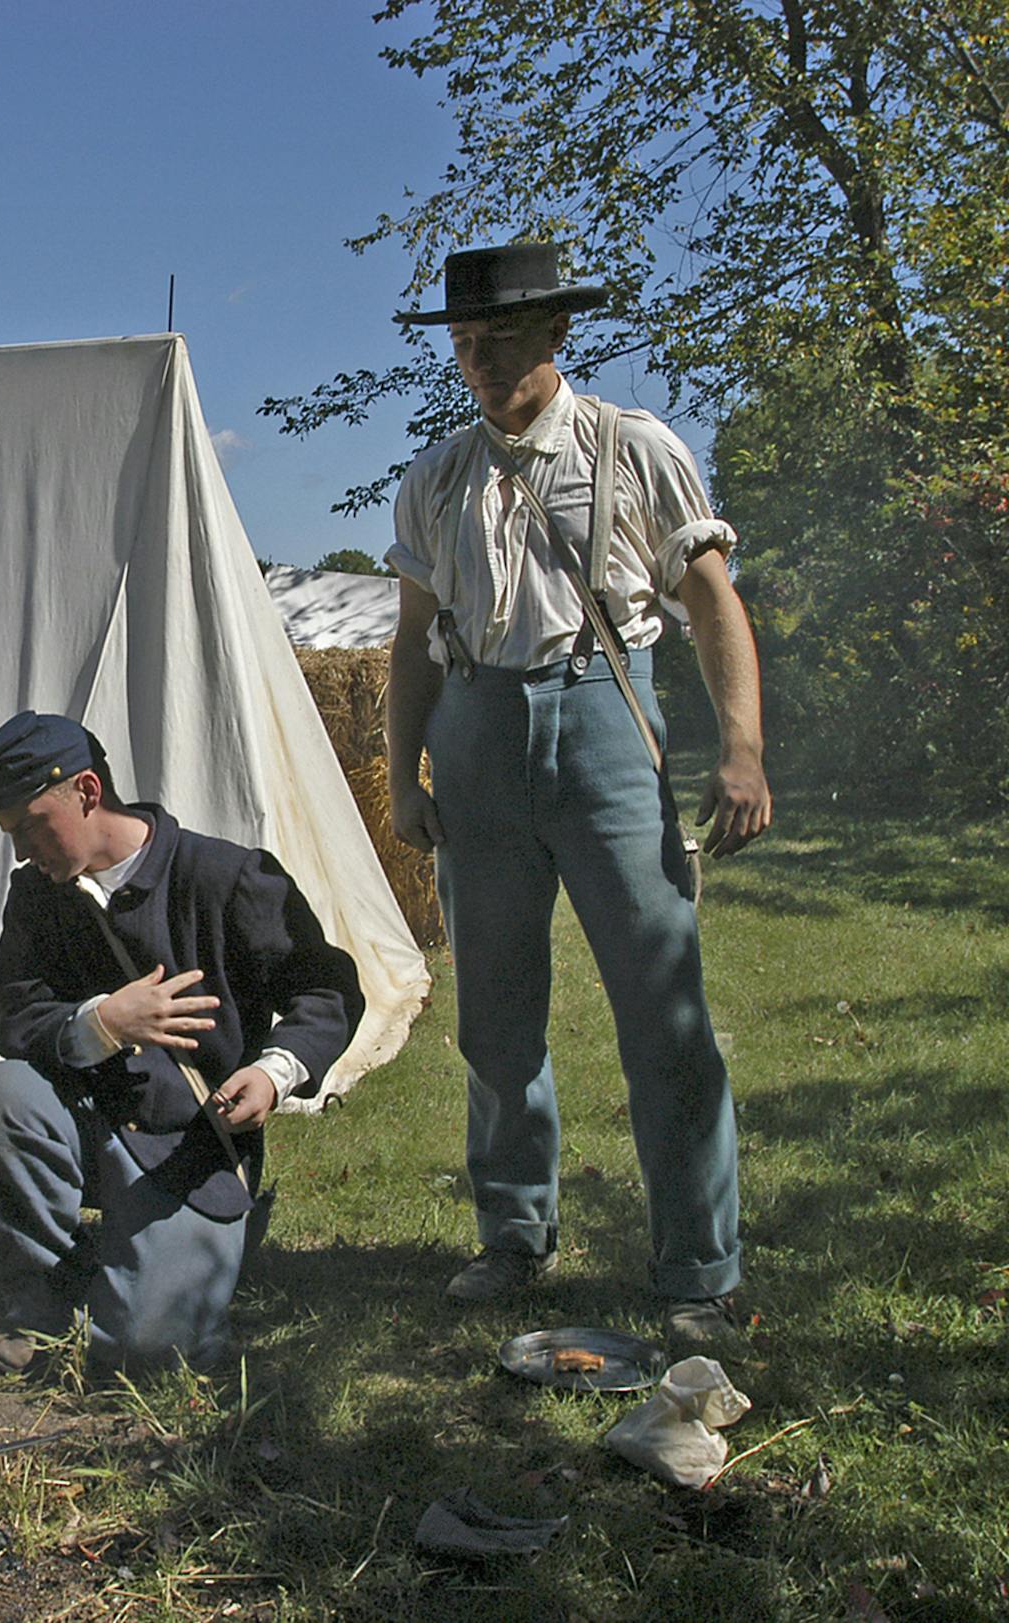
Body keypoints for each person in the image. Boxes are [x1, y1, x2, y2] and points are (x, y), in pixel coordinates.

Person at [384, 242, 772, 1344]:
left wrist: (739, 752)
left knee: (664, 1008)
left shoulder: (631, 448)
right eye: (463, 342)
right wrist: (407, 771)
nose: (479, 358)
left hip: (605, 720)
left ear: (558, 335)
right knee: (495, 1017)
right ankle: (513, 1235)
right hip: (476, 737)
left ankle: (697, 1264)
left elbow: (711, 608)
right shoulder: (438, 476)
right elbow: (413, 641)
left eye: (500, 336)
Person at [0, 711, 364, 1374]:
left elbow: (328, 991)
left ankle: (195, 1245)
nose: (23, 850)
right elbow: (19, 1020)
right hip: (85, 1123)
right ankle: (43, 1300)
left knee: (143, 1354)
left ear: (86, 791)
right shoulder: (37, 895)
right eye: (12, 834)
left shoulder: (225, 877)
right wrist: (104, 1021)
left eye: (30, 825)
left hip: (189, 1149)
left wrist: (274, 1073)